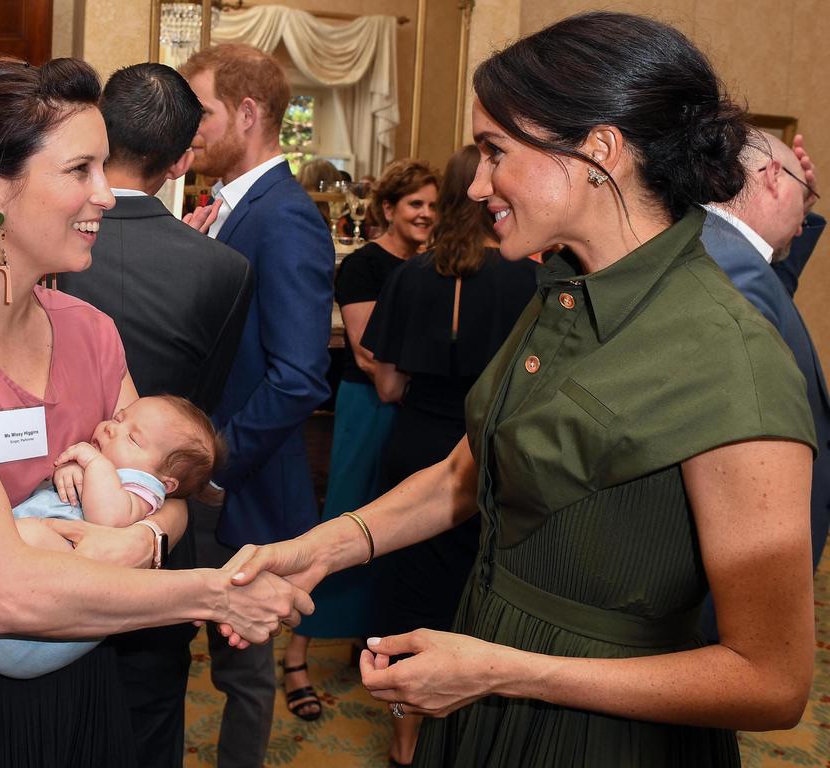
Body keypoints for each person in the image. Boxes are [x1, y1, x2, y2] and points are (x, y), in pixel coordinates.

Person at [226, 12, 817, 767]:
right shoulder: (559, 293)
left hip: (600, 735)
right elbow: (465, 472)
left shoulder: (731, 356)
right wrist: (325, 546)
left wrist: (509, 670)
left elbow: (771, 681)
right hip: (485, 690)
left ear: (598, 150)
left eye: (495, 152)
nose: (475, 184)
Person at [0, 56, 312, 768]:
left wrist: (139, 541)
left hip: (83, 679)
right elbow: (0, 596)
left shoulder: (90, 331)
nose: (106, 195)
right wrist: (208, 591)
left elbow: (167, 492)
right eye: (80, 170)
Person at [57, 61, 255, 768]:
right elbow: (201, 407)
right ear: (180, 162)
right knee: (143, 727)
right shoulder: (220, 269)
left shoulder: (44, 241)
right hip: (155, 521)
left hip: (44, 515)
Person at [0, 394, 222, 767]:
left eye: (133, 438)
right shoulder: (113, 467)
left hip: (36, 624)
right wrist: (71, 470)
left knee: (21, 537)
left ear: (166, 482)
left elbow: (108, 518)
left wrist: (92, 463)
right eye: (119, 418)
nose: (112, 427)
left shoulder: (142, 489)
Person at [181, 43, 335, 767]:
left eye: (201, 110)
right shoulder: (225, 207)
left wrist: (217, 470)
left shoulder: (285, 217)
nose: (190, 126)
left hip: (239, 488)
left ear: (247, 113)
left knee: (242, 674)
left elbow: (300, 377)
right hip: (204, 478)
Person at [360, 145, 537, 765]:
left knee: (410, 595)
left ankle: (405, 741)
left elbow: (387, 386)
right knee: (482, 589)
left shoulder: (412, 275)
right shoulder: (535, 281)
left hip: (417, 449)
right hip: (496, 454)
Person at [286, 158, 438, 723]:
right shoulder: (366, 267)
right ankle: (298, 655)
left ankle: (371, 640)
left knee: (403, 532)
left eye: (432, 205)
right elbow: (369, 352)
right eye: (415, 204)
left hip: (415, 413)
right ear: (390, 209)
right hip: (368, 407)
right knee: (350, 522)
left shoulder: (439, 266)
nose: (425, 214)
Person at [700, 131, 829, 577]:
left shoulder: (724, 248)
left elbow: (772, 292)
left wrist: (802, 204)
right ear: (773, 174)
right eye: (804, 193)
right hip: (745, 546)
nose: (802, 219)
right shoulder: (732, 265)